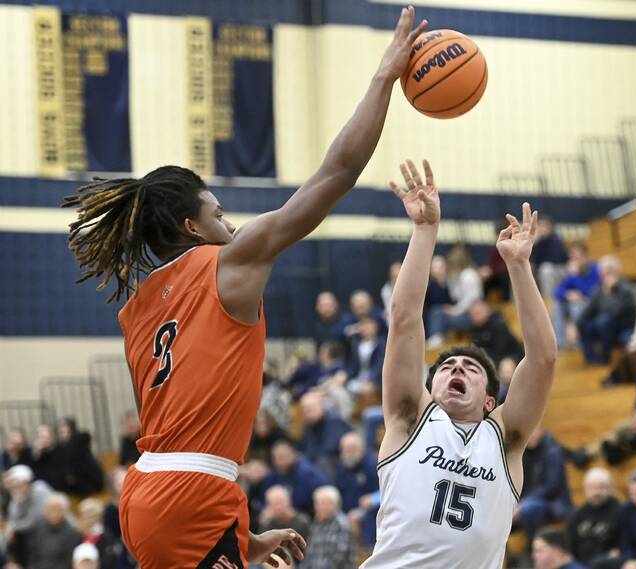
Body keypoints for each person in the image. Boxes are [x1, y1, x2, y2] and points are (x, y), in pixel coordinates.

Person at [64, 7, 427, 568]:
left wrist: (240, 540)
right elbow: (336, 173)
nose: (230, 224)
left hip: (149, 491)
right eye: (219, 212)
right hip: (192, 494)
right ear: (192, 227)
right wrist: (384, 76)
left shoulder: (136, 308)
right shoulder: (228, 263)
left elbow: (187, 420)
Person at [361, 160, 557, 568]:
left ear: (490, 401)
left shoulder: (504, 439)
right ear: (430, 390)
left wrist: (518, 266)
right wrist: (425, 230)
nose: (455, 370)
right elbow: (403, 318)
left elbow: (542, 358)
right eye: (447, 368)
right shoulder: (410, 417)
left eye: (470, 369)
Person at [577, 255, 636, 364]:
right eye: (602, 273)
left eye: (607, 272)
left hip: (623, 327)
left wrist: (610, 291)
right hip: (604, 326)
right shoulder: (598, 290)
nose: (604, 276)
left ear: (616, 272)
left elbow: (615, 311)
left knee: (603, 321)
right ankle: (591, 359)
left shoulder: (626, 289)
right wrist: (577, 323)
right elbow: (588, 310)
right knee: (584, 324)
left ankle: (605, 358)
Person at [566, 467, 621, 566]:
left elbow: (623, 548)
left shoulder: (621, 512)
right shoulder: (576, 515)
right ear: (585, 489)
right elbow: (569, 546)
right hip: (579, 564)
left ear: (611, 489)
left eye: (602, 487)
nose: (596, 492)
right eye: (592, 487)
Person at [299, 486, 356, 569]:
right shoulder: (316, 524)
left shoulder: (343, 525)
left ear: (335, 504)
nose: (320, 507)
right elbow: (308, 555)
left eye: (324, 503)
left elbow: (338, 559)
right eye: (318, 503)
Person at [29, 493, 82, 569]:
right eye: (49, 509)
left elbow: (68, 562)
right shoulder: (38, 529)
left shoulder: (72, 533)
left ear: (64, 511)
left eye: (57, 510)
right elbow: (33, 556)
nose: (53, 514)